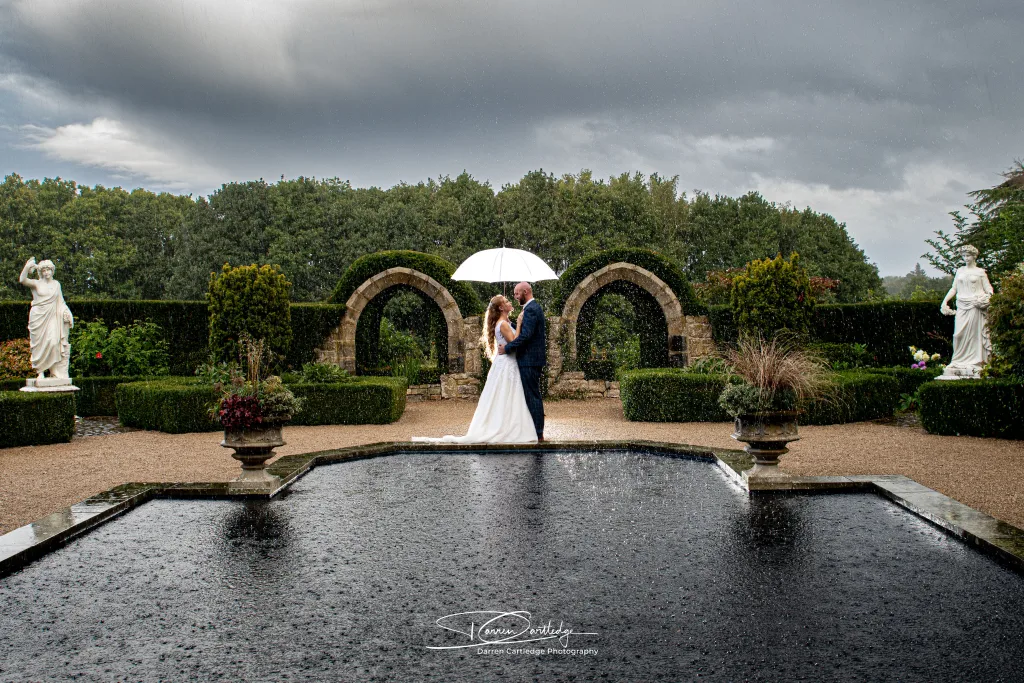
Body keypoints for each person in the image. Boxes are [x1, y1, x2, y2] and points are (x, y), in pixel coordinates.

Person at [412, 294, 537, 443]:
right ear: (501, 307)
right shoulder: (503, 324)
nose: (510, 302)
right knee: (507, 394)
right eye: (506, 301)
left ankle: (505, 425)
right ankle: (509, 428)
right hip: (508, 363)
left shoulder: (503, 322)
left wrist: (512, 323)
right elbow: (515, 342)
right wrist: (520, 322)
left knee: (505, 395)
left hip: (503, 363)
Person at [498, 281, 546, 441]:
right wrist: (511, 323)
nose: (515, 297)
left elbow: (526, 336)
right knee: (531, 395)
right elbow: (524, 330)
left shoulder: (531, 309)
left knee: (532, 396)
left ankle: (538, 434)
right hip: (530, 359)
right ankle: (533, 431)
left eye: (517, 293)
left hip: (530, 360)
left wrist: (507, 348)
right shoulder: (530, 309)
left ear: (525, 292)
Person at [937, 244, 993, 380]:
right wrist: (945, 301)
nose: (965, 258)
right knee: (958, 335)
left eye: (968, 256)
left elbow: (989, 290)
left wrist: (984, 299)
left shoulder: (980, 272)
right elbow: (954, 288)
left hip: (975, 306)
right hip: (962, 306)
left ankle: (976, 362)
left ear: (974, 256)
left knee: (974, 335)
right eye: (963, 256)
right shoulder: (960, 271)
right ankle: (958, 361)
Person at [19, 257, 74, 380]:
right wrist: (27, 267)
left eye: (48, 270)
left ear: (52, 271)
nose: (46, 272)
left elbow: (61, 302)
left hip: (53, 316)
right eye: (44, 270)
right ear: (41, 272)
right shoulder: (36, 284)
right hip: (38, 317)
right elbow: (22, 280)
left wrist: (67, 312)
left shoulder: (56, 284)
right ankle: (40, 372)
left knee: (54, 342)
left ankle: (54, 371)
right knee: (39, 345)